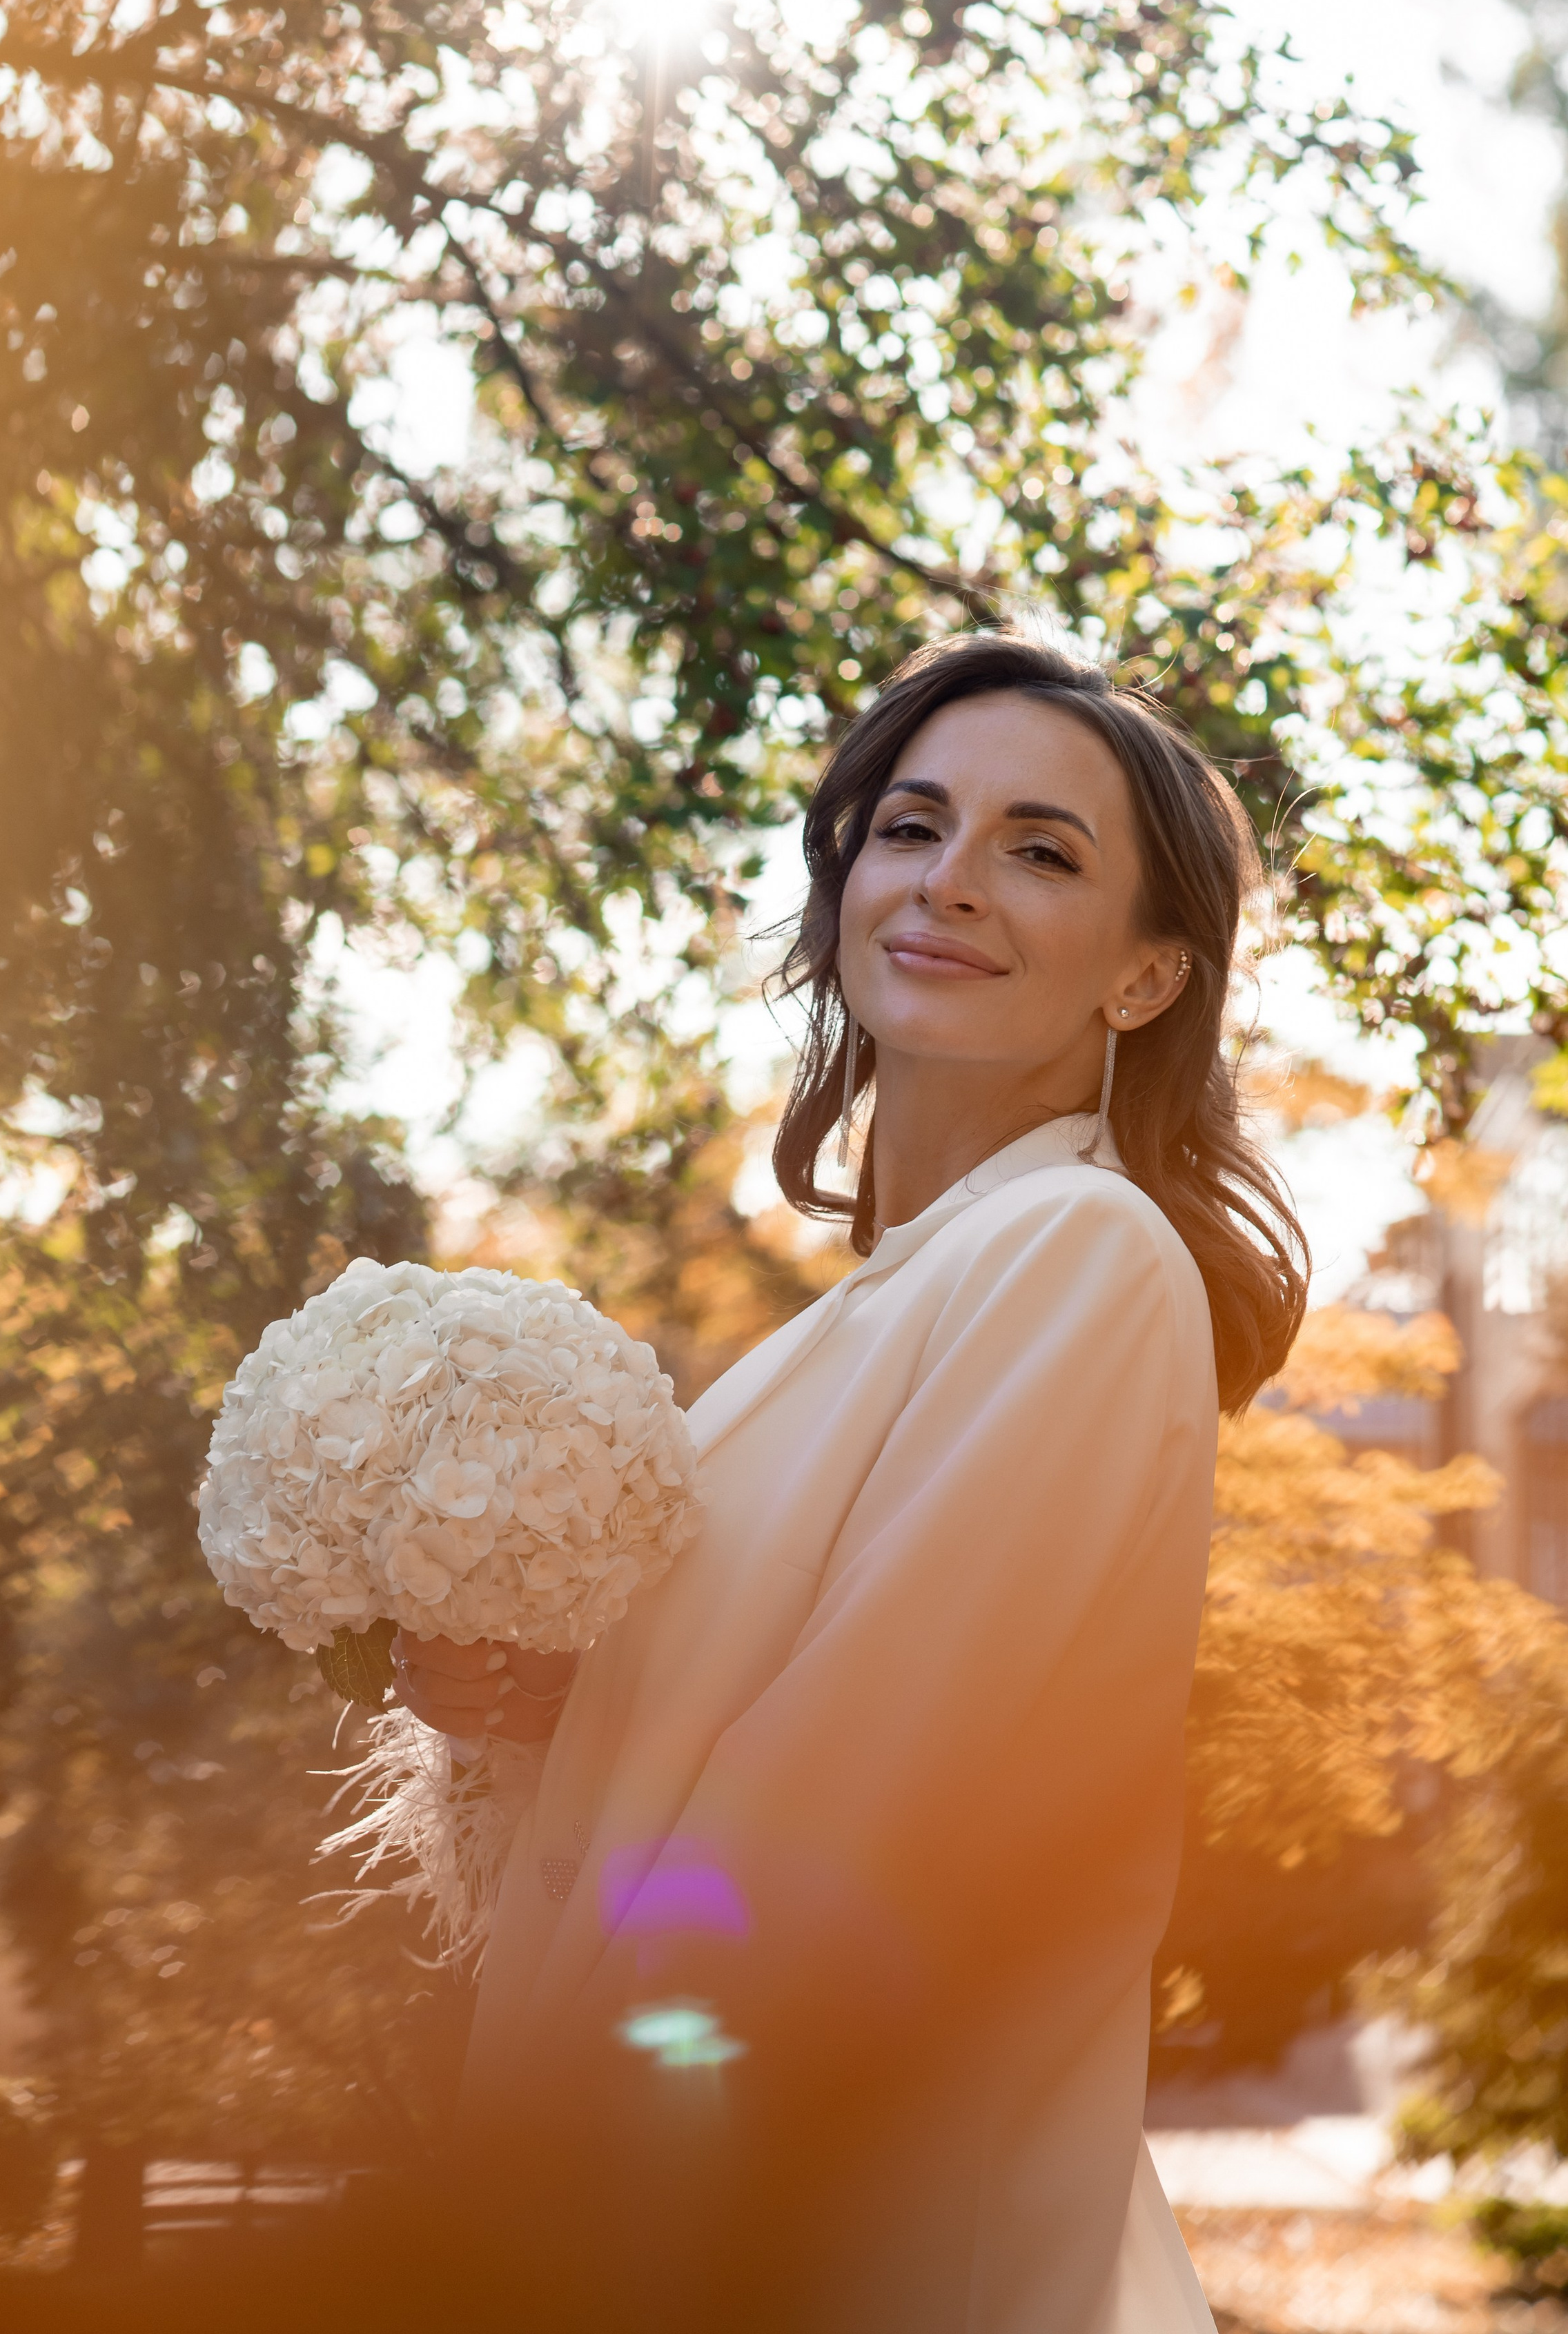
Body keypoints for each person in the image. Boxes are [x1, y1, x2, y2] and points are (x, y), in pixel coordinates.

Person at [391, 631, 1308, 2331]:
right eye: (910, 826)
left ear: (1142, 977)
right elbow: (718, 1757)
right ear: (844, 888)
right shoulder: (864, 1316)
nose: (949, 881)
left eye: (1040, 852)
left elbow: (833, 1826)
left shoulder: (1077, 1253)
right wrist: (535, 1710)